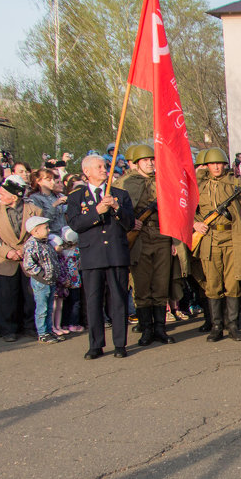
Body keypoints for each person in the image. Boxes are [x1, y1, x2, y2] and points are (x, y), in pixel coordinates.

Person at [65, 154, 135, 359]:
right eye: (99, 167)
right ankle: (96, 344)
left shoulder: (120, 195)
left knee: (119, 300)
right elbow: (76, 224)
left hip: (116, 254)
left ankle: (120, 344)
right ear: (86, 172)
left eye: (104, 167)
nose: (104, 170)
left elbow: (130, 223)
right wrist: (97, 211)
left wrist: (115, 208)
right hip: (92, 256)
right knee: (93, 301)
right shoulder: (76, 197)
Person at [119, 144, 175, 347]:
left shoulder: (164, 180)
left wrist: (174, 239)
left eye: (153, 159)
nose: (151, 163)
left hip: (161, 234)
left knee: (161, 283)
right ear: (136, 163)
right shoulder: (125, 183)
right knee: (142, 284)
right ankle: (146, 328)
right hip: (139, 236)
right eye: (145, 160)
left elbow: (174, 210)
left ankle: (160, 328)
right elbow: (120, 212)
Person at [193, 148, 241, 343]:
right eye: (212, 164)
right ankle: (216, 326)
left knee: (233, 282)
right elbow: (190, 210)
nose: (216, 167)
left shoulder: (235, 184)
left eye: (219, 163)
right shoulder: (200, 186)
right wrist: (195, 223)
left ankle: (232, 325)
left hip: (232, 237)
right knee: (213, 283)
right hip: (209, 238)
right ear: (207, 166)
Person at [0, 175, 35, 342]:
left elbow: (37, 233)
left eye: (2, 194)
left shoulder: (34, 210)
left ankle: (30, 326)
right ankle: (8, 329)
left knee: (30, 296)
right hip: (6, 259)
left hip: (27, 258)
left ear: (14, 196)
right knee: (6, 296)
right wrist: (7, 252)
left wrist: (23, 250)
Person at [20, 215, 60, 344]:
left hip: (50, 280)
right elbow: (28, 264)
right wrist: (42, 274)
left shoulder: (46, 243)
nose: (49, 230)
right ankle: (42, 333)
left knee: (49, 308)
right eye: (46, 228)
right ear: (35, 231)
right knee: (42, 308)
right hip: (41, 282)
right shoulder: (32, 244)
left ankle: (49, 330)